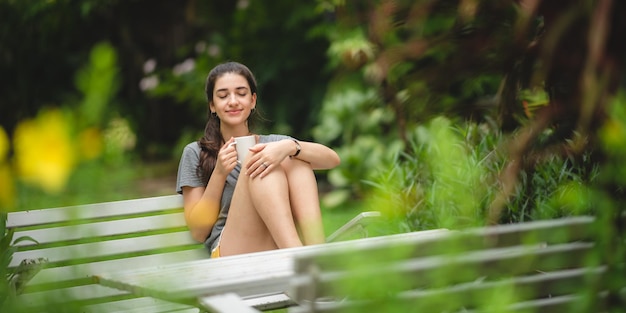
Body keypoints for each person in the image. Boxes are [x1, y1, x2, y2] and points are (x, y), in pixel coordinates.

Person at [176, 61, 341, 258]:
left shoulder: (274, 144)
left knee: (296, 158)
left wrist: (291, 147)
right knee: (261, 160)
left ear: (253, 100)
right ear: (212, 105)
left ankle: (316, 253)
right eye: (223, 96)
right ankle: (304, 261)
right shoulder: (195, 152)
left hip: (277, 245)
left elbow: (332, 160)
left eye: (241, 93)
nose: (233, 101)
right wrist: (220, 173)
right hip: (230, 253)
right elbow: (198, 232)